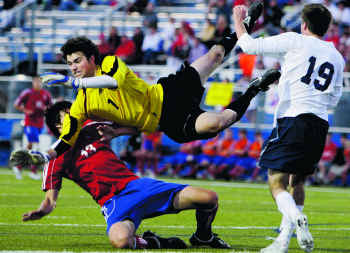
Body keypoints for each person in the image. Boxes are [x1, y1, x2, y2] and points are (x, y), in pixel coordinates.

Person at [22, 2, 273, 164]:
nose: (74, 68)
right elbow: (67, 137)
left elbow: (110, 83)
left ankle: (245, 26)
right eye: (69, 64)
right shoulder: (81, 105)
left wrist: (71, 83)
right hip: (167, 121)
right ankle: (255, 88)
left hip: (168, 92)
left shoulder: (109, 63)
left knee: (215, 56)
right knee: (218, 123)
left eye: (77, 61)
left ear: (91, 58)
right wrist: (42, 155)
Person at [15, 101, 230, 249]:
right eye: (70, 115)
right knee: (120, 241)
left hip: (139, 187)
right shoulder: (55, 158)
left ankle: (203, 237)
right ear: (60, 126)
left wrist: (116, 130)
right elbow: (50, 200)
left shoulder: (92, 129)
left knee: (209, 198)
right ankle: (156, 243)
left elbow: (134, 128)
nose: (77, 117)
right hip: (113, 203)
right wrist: (41, 212)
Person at [234, 3, 345, 253]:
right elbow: (334, 100)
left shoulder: (295, 40)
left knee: (276, 182)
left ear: (304, 24)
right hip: (319, 123)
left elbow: (249, 46)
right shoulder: (337, 56)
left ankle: (295, 217)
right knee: (299, 183)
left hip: (293, 118)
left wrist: (238, 20)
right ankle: (282, 242)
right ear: (326, 28)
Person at [12, 76, 52, 180]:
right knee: (35, 146)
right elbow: (16, 104)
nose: (38, 84)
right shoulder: (27, 93)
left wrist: (46, 110)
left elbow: (50, 107)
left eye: (40, 82)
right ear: (33, 83)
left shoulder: (45, 94)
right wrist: (26, 110)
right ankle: (33, 171)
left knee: (30, 147)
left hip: (39, 123)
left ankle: (18, 166)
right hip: (29, 122)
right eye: (36, 82)